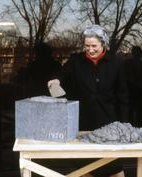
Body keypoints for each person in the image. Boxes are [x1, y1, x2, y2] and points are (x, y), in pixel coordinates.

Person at [48, 24, 128, 177]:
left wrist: (123, 125)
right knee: (85, 168)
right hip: (83, 123)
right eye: (87, 46)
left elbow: (123, 96)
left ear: (103, 44)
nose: (90, 50)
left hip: (109, 124)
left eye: (94, 46)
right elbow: (62, 72)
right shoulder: (76, 60)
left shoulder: (115, 63)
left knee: (113, 168)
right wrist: (56, 80)